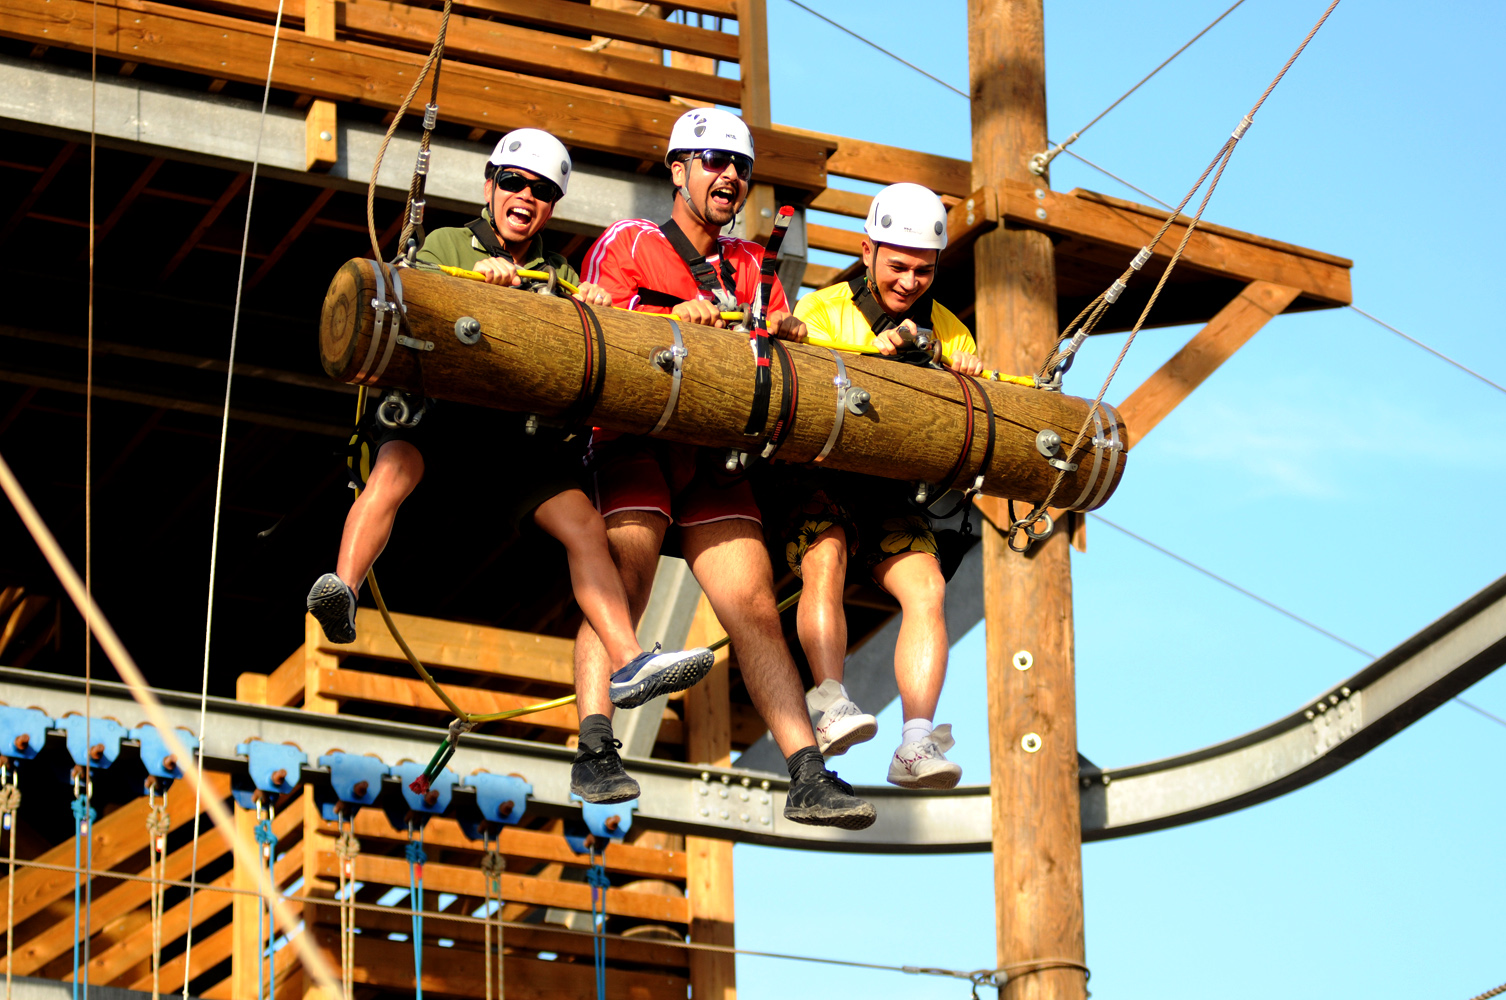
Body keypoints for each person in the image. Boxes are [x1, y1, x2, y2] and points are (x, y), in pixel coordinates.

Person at [305, 128, 714, 724]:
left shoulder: (562, 272)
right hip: (439, 412)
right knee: (392, 469)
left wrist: (589, 306)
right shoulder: (447, 243)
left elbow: (587, 338)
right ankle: (344, 587)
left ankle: (626, 661)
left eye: (542, 190)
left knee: (583, 526)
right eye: (515, 182)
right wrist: (482, 285)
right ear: (491, 185)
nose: (526, 196)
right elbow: (412, 296)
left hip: (512, 435)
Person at [570, 108, 875, 828]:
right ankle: (594, 746)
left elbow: (765, 352)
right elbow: (593, 329)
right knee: (628, 577)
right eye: (713, 162)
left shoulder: (750, 267)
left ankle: (806, 771)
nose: (729, 177)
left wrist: (783, 331)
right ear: (678, 171)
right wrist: (678, 321)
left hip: (713, 450)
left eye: (739, 168)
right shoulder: (632, 243)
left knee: (756, 609)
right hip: (636, 436)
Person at [781, 182, 982, 789]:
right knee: (827, 554)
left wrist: (965, 380)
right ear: (866, 250)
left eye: (924, 271)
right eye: (897, 266)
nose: (909, 282)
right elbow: (812, 389)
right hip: (821, 473)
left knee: (927, 588)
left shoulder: (949, 330)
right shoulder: (823, 310)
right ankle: (829, 701)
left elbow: (957, 426)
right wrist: (877, 357)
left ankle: (916, 741)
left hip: (891, 486)